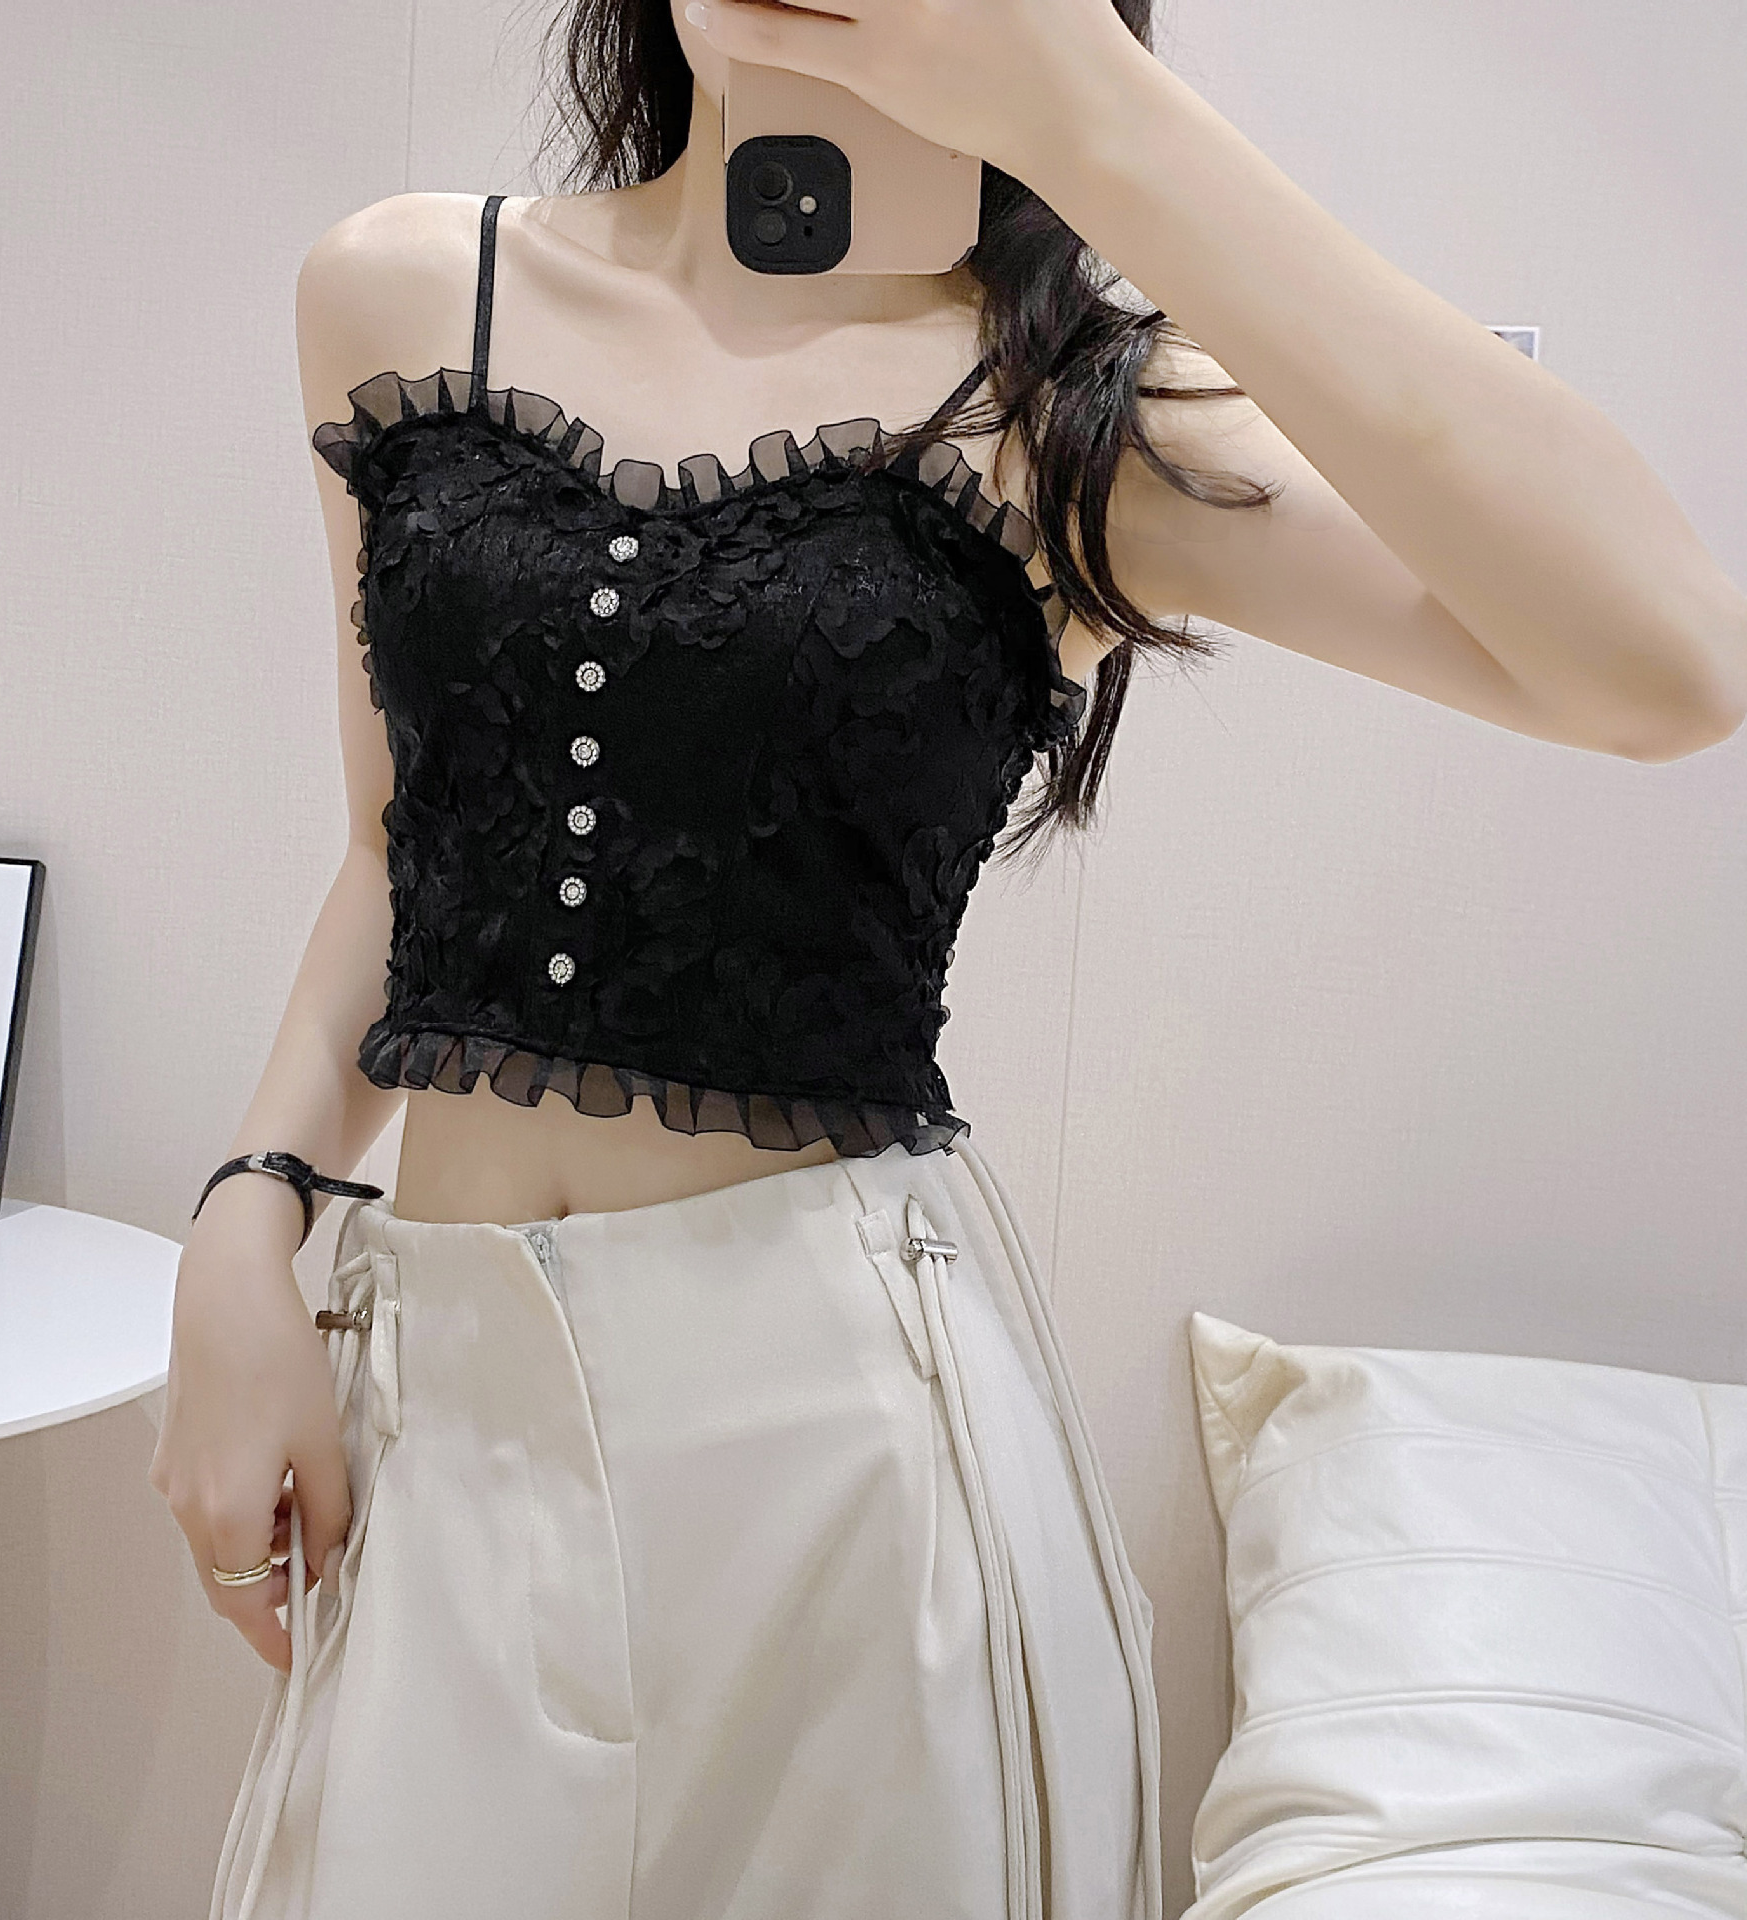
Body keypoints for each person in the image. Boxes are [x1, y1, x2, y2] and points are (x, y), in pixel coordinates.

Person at [150, 2, 1747, 1917]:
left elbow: (1665, 660)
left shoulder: (1076, 416)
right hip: (447, 1411)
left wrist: (1097, 115)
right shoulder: (408, 293)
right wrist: (250, 1216)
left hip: (849, 1452)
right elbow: (397, 847)